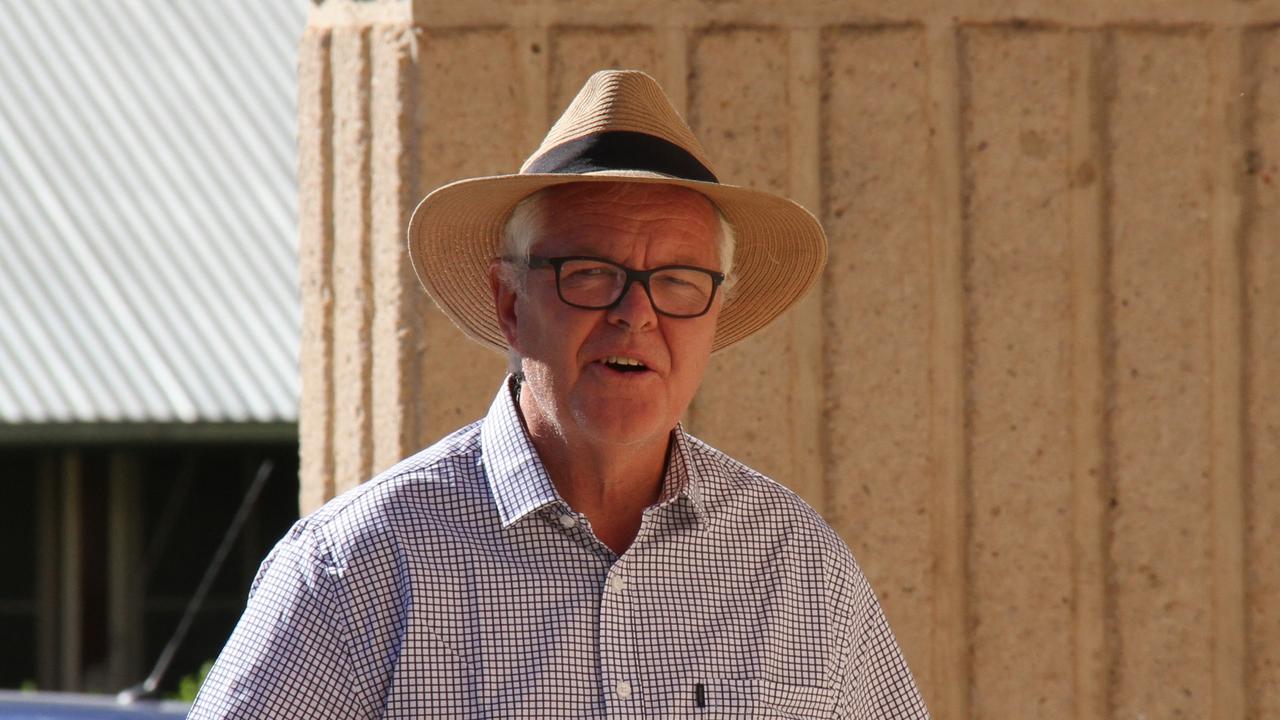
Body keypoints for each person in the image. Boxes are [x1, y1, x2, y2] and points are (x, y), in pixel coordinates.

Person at [189, 69, 928, 719]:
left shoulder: (796, 564)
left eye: (676, 281)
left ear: (714, 317)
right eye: (590, 274)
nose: (634, 313)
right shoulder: (360, 568)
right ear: (510, 304)